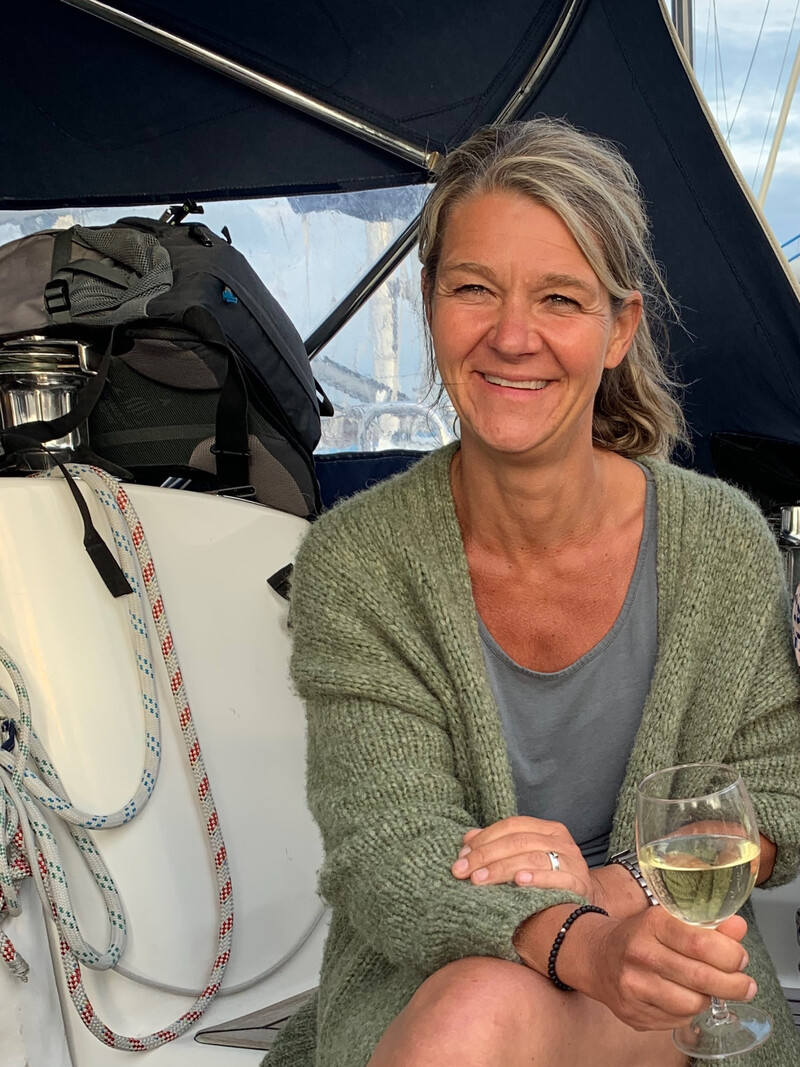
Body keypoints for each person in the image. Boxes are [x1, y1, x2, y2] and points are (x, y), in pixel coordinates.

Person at [266, 118, 800, 1067]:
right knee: (479, 1007)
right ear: (430, 302)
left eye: (560, 297)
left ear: (618, 328)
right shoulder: (357, 562)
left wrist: (612, 889)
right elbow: (393, 851)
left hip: (672, 970)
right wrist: (580, 940)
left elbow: (780, 796)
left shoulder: (723, 545)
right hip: (427, 977)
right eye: (475, 288)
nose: (512, 337)